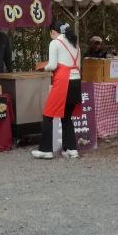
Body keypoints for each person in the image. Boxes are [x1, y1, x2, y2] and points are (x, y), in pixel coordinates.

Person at [34, 20, 82, 160]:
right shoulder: (76, 45)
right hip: (76, 82)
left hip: (63, 82)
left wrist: (44, 67)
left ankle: (46, 150)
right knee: (66, 117)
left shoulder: (55, 43)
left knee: (48, 115)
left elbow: (53, 65)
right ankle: (71, 149)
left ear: (53, 32)